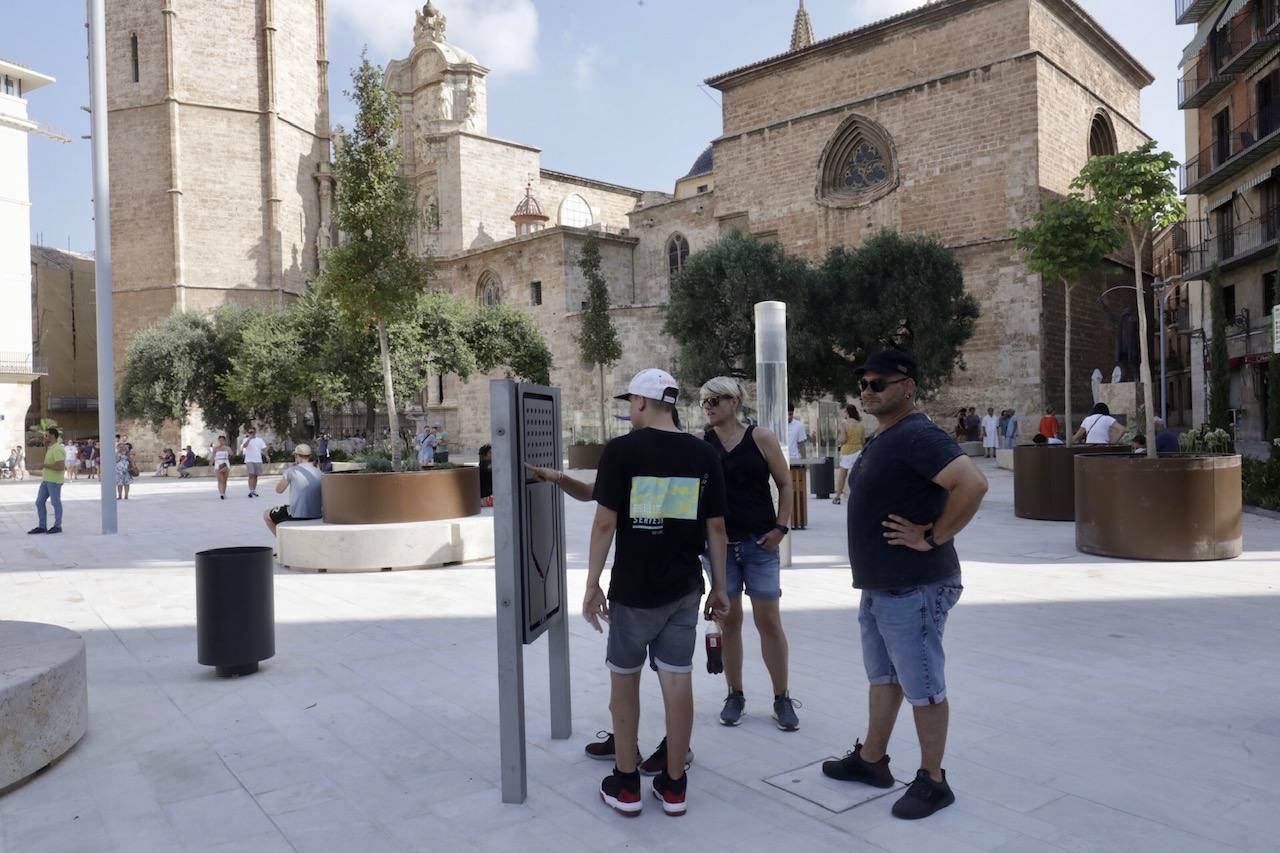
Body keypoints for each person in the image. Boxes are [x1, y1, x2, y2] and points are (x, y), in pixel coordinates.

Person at [823, 349, 988, 821]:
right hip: (881, 586)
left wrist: (932, 536)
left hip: (914, 586)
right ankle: (872, 760)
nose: (868, 390)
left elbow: (972, 484)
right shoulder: (884, 436)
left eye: (879, 383)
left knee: (924, 685)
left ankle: (934, 781)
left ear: (908, 386)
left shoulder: (918, 434)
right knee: (885, 677)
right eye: (864, 384)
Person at [585, 368, 729, 818]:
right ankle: (673, 784)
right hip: (685, 588)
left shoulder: (622, 451)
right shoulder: (704, 453)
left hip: (633, 590)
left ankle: (626, 783)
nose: (630, 410)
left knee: (624, 681)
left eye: (631, 402)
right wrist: (720, 586)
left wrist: (592, 584)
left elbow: (606, 522)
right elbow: (717, 527)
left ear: (644, 402)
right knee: (676, 679)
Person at [700, 376, 799, 731]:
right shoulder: (704, 443)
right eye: (704, 401)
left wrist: (781, 528)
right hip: (720, 547)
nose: (708, 406)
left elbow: (785, 483)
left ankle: (781, 697)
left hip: (760, 543)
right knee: (730, 623)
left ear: (735, 402)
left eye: (715, 399)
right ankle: (735, 693)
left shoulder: (760, 437)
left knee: (768, 621)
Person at [265, 444, 323, 535]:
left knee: (266, 515)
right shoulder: (319, 472)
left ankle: (282, 541)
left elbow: (279, 490)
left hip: (297, 515)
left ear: (296, 456)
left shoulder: (291, 471)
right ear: (309, 456)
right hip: (318, 514)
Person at [30, 427, 66, 534]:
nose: (44, 437)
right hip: (46, 480)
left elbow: (60, 466)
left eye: (46, 435)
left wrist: (44, 465)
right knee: (39, 502)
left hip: (54, 481)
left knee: (55, 503)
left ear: (53, 436)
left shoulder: (58, 449)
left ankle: (58, 526)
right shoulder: (50, 448)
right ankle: (42, 526)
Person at [833, 404, 866, 505]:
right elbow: (863, 441)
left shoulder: (844, 424)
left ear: (847, 412)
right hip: (858, 451)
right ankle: (859, 496)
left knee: (842, 475)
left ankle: (838, 496)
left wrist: (838, 439)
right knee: (857, 475)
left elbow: (843, 439)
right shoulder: (861, 425)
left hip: (847, 452)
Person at [240, 427, 268, 497]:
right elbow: (244, 446)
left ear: (255, 432)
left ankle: (253, 490)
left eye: (252, 432)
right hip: (249, 460)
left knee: (255, 476)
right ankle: (251, 490)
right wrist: (249, 438)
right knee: (251, 474)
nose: (251, 433)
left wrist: (267, 456)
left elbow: (264, 449)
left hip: (258, 459)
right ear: (248, 433)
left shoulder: (260, 440)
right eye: (250, 432)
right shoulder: (246, 439)